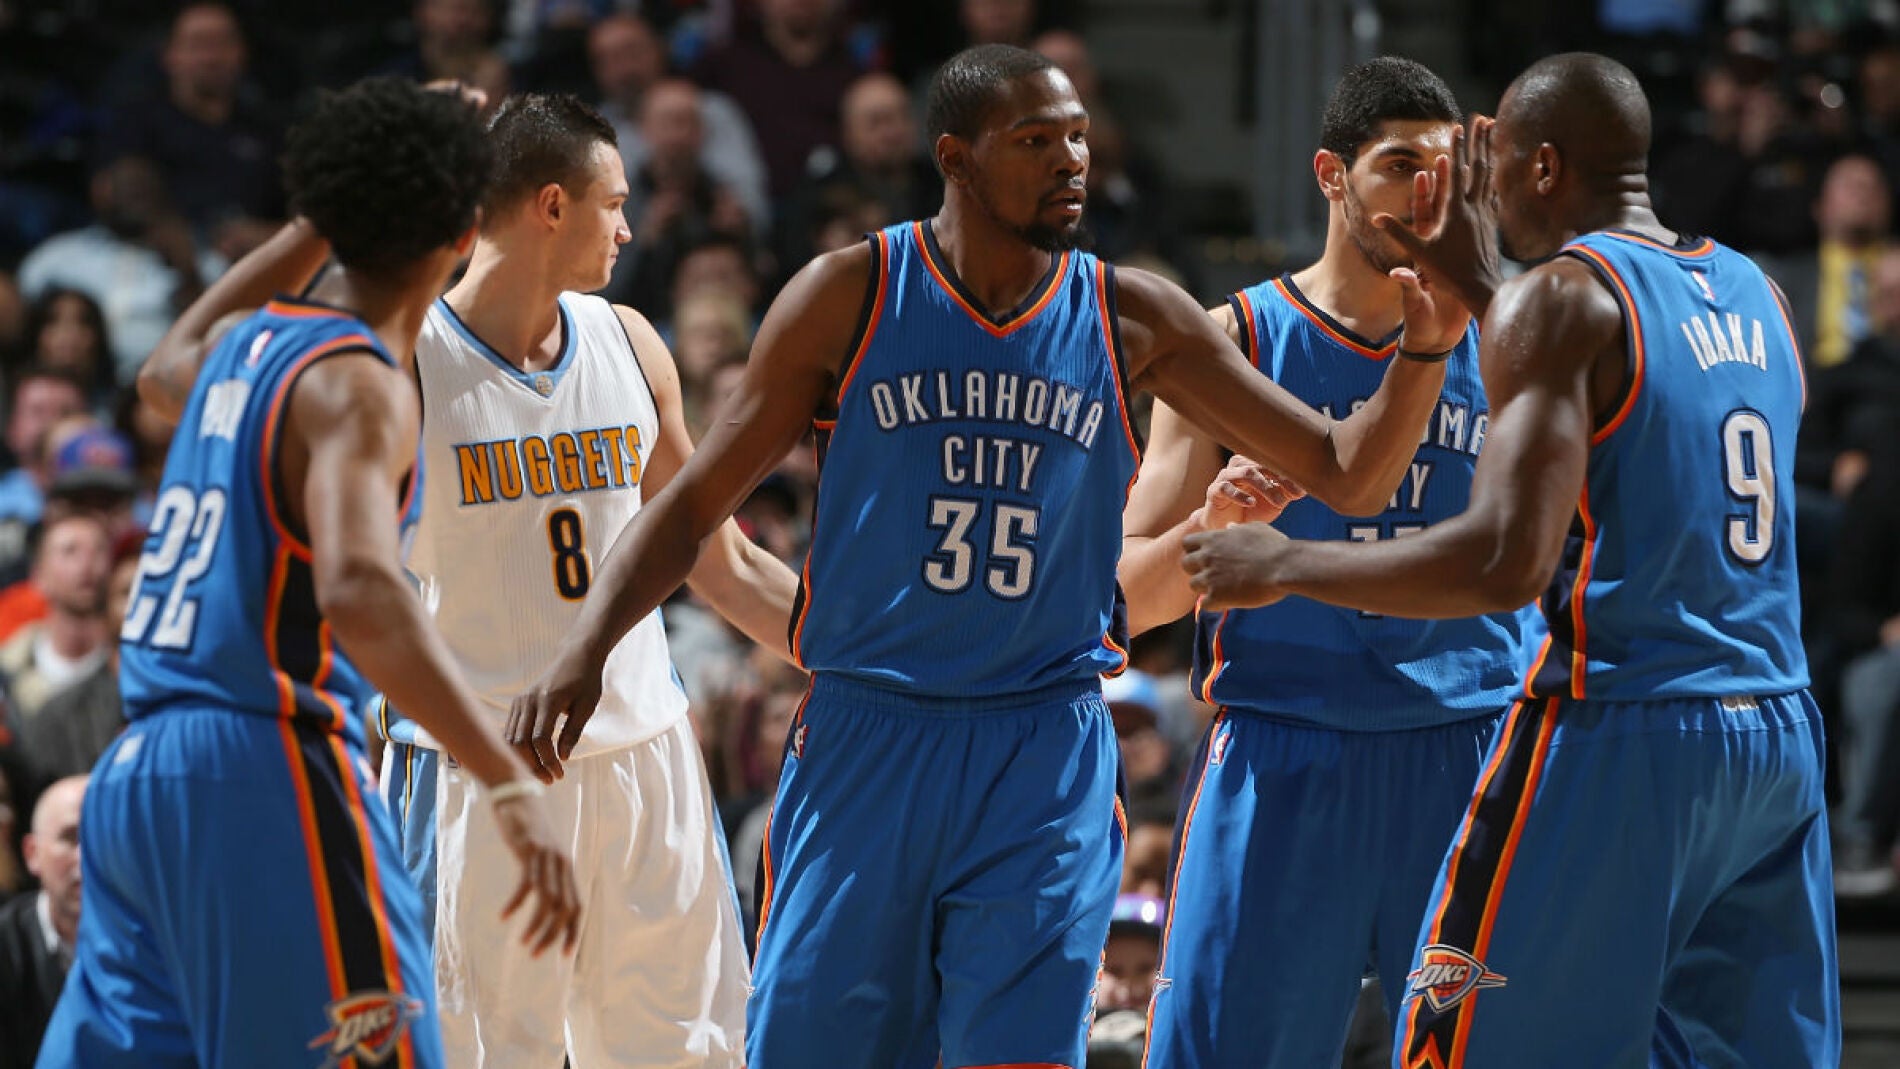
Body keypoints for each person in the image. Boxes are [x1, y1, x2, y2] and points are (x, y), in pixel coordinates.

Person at [512, 44, 1462, 1068]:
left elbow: (1347, 473)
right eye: (1035, 141)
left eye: (1077, 138)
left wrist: (1422, 352)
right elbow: (694, 502)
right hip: (869, 735)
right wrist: (587, 644)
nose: (1070, 161)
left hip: (1041, 747)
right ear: (955, 157)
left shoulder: (1131, 313)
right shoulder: (850, 292)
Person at [1184, 53, 1837, 1067]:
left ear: (1539, 170)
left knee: (1467, 1041)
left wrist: (1287, 564)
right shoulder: (1757, 295)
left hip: (1623, 726)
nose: (1473, 200)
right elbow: (1618, 378)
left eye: (1486, 175)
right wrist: (1483, 285)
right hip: (1776, 729)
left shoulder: (1560, 297)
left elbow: (1501, 562)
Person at [36, 78, 580, 1069]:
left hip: (138, 772)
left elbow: (162, 372)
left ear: (329, 213)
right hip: (264, 767)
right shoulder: (358, 384)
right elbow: (361, 589)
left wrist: (310, 224)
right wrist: (504, 777)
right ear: (465, 231)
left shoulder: (248, 344)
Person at [1122, 57, 1530, 1067]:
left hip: (1469, 750)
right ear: (1328, 175)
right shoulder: (1235, 339)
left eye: (1446, 170)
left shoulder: (1519, 337)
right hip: (1284, 750)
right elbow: (1124, 600)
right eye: (1397, 164)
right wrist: (1205, 531)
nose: (1425, 193)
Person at [378, 91, 798, 1068]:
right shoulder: (407, 361)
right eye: (615, 202)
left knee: (694, 1054)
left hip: (645, 747)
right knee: (488, 1055)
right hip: (482, 769)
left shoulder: (630, 342)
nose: (631, 224)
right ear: (552, 206)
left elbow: (717, 555)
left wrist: (857, 655)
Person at [0, 774, 84, 1068]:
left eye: (101, 835)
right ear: (32, 853)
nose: (85, 858)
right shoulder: (7, 947)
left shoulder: (155, 941)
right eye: (70, 838)